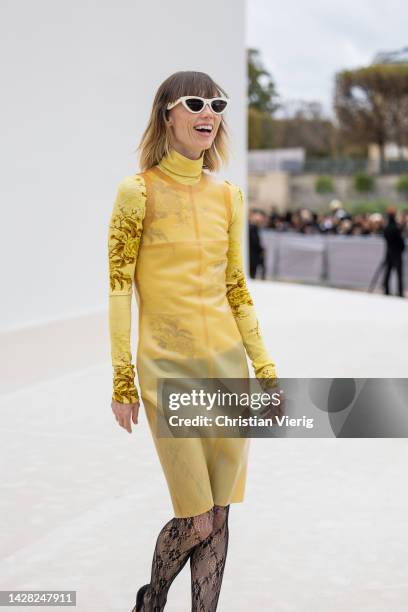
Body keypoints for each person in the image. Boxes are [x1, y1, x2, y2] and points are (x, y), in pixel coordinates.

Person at [107, 71, 279, 611]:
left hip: (228, 368)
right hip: (169, 368)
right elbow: (118, 289)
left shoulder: (227, 196)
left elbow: (236, 288)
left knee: (221, 515)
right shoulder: (137, 192)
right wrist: (123, 379)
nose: (209, 113)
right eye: (196, 103)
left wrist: (267, 371)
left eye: (218, 104)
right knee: (196, 517)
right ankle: (151, 601)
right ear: (167, 113)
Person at [382, 206, 405, 297]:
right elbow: (400, 241)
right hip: (396, 253)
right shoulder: (395, 228)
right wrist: (402, 248)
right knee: (399, 274)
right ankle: (399, 292)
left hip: (389, 252)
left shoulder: (387, 227)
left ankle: (386, 290)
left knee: (387, 272)